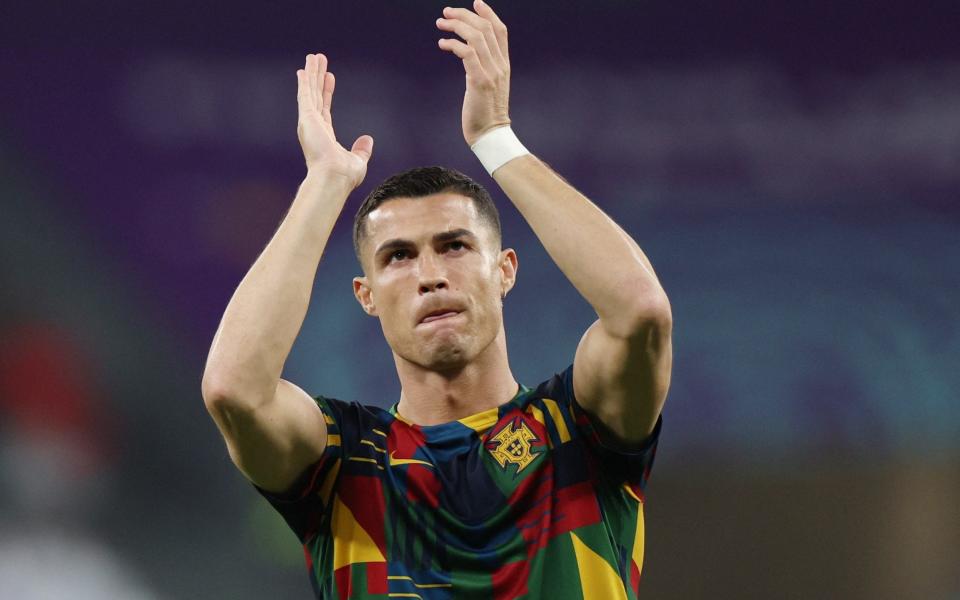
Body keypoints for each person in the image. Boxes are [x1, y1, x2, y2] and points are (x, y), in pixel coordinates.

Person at [201, 1, 673, 597]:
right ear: (365, 296)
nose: (430, 275)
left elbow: (642, 312)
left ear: (504, 270)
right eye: (398, 256)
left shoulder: (580, 432)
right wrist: (324, 183)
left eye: (453, 245)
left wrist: (495, 138)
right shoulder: (344, 465)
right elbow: (233, 391)